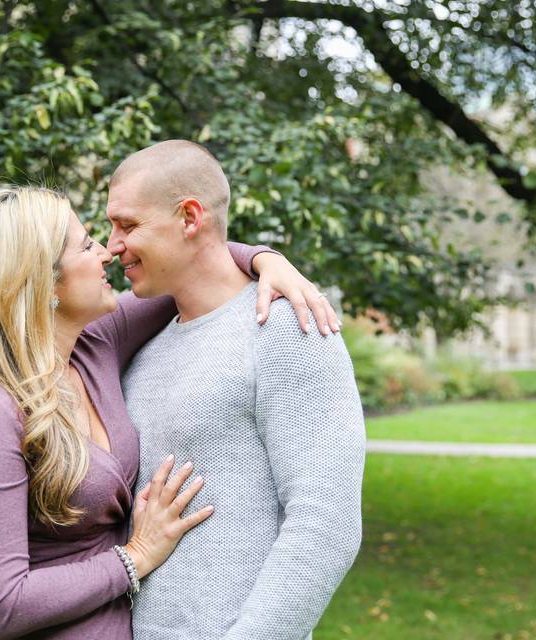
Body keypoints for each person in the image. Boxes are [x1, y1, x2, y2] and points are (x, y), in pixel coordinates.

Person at [0, 185, 335, 639]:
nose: (105, 252)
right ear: (39, 280)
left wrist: (267, 260)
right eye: (86, 244)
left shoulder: (95, 345)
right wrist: (136, 556)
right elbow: (4, 605)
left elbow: (198, 264)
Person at [107, 140, 366, 639]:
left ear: (189, 217)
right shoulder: (141, 345)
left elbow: (325, 524)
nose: (112, 244)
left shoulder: (288, 328)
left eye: (128, 225)